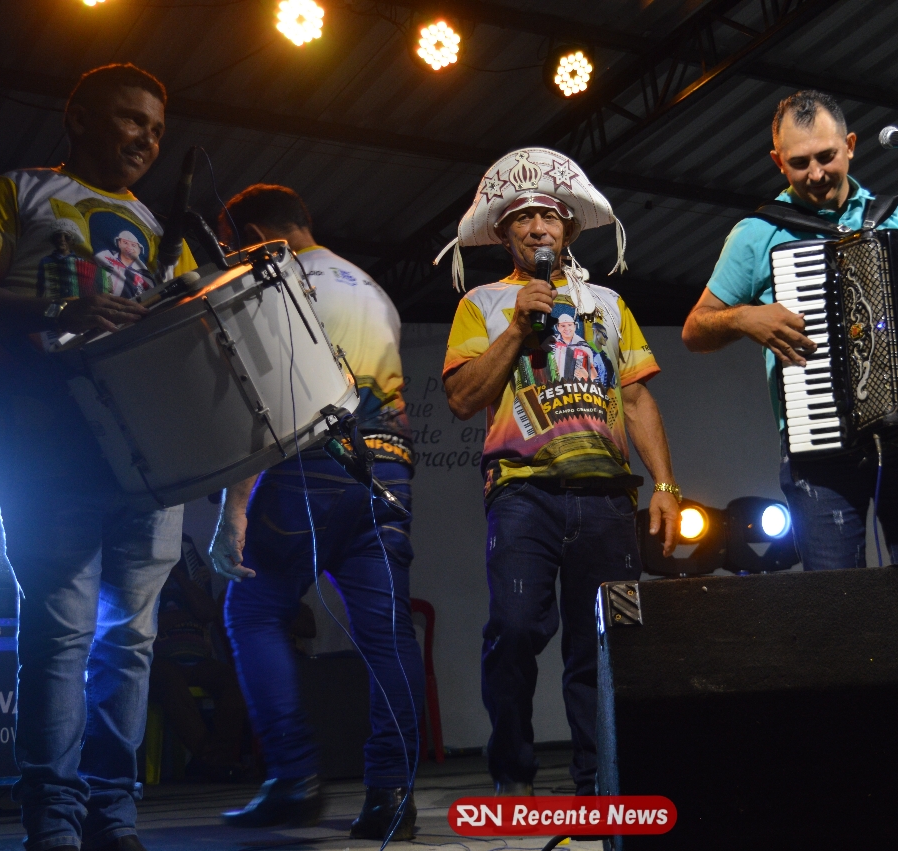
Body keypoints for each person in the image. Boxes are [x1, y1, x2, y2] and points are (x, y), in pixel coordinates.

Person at [0, 64, 195, 851]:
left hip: (147, 465)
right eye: (130, 119)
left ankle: (114, 815)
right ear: (78, 117)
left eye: (156, 129)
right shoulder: (18, 192)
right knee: (61, 636)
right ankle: (53, 820)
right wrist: (58, 307)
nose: (146, 139)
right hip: (48, 452)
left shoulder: (162, 230)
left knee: (131, 642)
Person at [438, 147, 680, 796]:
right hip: (524, 494)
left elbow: (636, 397)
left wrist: (664, 484)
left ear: (568, 229)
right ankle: (512, 776)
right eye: (522, 218)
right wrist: (519, 327)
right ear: (504, 234)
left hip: (607, 497)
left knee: (603, 646)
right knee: (514, 630)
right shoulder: (484, 304)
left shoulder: (608, 303)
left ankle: (599, 784)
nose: (538, 227)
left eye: (549, 216)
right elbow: (461, 398)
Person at [681, 90, 898, 570]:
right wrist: (743, 317)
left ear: (850, 146)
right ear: (778, 162)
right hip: (821, 443)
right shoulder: (758, 233)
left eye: (826, 156)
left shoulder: (897, 217)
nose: (815, 174)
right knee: (840, 602)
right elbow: (695, 329)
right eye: (799, 163)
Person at [207, 185, 425, 841]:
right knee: (388, 633)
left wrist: (233, 509)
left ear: (257, 237)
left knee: (252, 610)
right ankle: (392, 795)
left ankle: (294, 779)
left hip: (311, 464)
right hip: (387, 466)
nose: (231, 260)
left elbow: (263, 402)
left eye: (232, 247)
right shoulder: (371, 289)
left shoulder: (273, 284)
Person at [148, 536, 247, 782]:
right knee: (168, 680)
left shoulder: (191, 575)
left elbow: (208, 612)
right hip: (160, 660)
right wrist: (182, 616)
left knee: (235, 681)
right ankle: (212, 758)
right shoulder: (145, 577)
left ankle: (212, 758)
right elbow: (144, 623)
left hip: (199, 660)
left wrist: (179, 575)